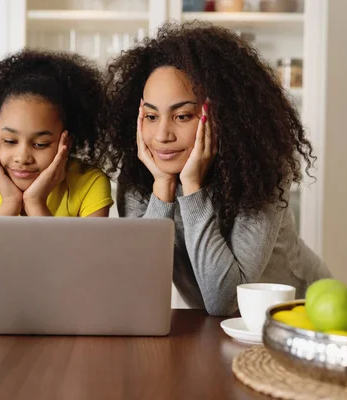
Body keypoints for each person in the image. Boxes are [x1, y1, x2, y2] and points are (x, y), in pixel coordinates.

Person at [100, 22, 332, 316]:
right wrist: (162, 188)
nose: (162, 135)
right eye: (151, 116)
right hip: (217, 330)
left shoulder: (261, 172)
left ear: (219, 114)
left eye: (182, 116)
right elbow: (137, 287)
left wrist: (193, 187)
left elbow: (225, 300)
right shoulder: (140, 177)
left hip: (303, 315)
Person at [0, 50, 114, 309]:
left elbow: (81, 287)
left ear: (66, 143)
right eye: (9, 141)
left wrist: (36, 204)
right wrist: (9, 206)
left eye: (41, 143)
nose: (22, 156)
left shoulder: (90, 185)